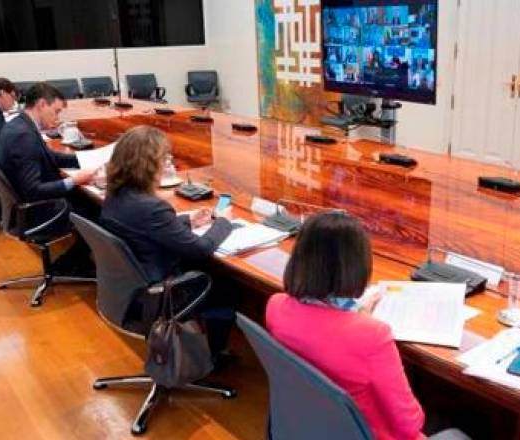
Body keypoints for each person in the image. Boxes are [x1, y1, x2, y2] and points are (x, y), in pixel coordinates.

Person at [265, 212, 429, 440]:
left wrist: (357, 317)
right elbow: (410, 425)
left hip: (308, 426)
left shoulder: (275, 307)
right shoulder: (373, 336)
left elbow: (323, 334)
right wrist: (362, 324)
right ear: (357, 266)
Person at [99, 126, 235, 362]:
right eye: (164, 159)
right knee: (226, 285)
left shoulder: (116, 194)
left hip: (127, 290)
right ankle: (209, 357)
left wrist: (188, 220)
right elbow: (200, 250)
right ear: (148, 165)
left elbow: (145, 228)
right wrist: (224, 222)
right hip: (159, 294)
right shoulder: (152, 207)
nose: (168, 165)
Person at [0, 82, 98, 273]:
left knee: (85, 198)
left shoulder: (20, 124)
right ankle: (72, 264)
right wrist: (74, 180)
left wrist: (88, 159)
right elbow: (33, 190)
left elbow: (50, 157)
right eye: (56, 111)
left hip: (25, 204)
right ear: (42, 104)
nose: (57, 117)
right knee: (98, 209)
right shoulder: (23, 135)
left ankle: (76, 261)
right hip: (37, 210)